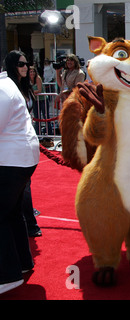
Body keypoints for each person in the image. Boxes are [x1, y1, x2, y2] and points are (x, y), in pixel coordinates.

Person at [0, 50, 40, 294]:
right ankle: (23, 264)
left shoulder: (3, 88)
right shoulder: (7, 86)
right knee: (13, 212)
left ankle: (7, 275)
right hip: (19, 158)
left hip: (12, 160)